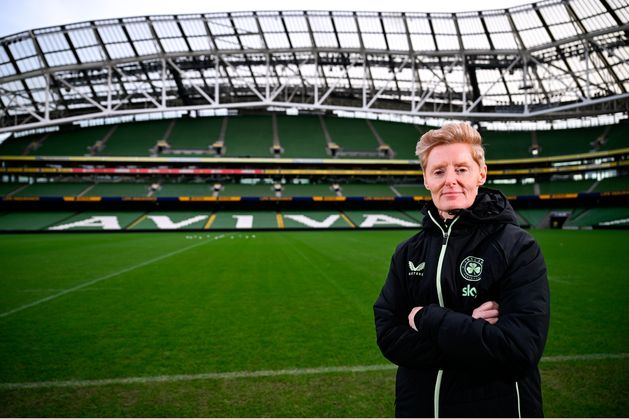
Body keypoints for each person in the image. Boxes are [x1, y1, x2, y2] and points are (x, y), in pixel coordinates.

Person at [373, 122, 550, 418]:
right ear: (426, 179)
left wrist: (426, 318)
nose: (450, 180)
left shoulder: (518, 247)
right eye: (439, 171)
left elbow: (518, 350)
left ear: (481, 173)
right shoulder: (407, 252)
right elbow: (389, 337)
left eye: (461, 169)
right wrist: (471, 330)